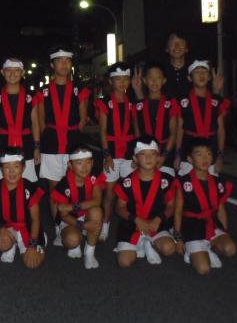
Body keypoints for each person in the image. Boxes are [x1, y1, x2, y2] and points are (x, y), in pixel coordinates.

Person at [36, 47, 90, 246]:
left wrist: (72, 134)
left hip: (73, 143)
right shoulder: (43, 91)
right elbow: (41, 121)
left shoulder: (79, 89)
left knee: (76, 185)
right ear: (53, 65)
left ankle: (77, 224)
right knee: (55, 190)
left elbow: (83, 119)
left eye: (67, 60)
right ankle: (60, 227)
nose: (64, 64)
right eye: (59, 61)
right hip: (51, 144)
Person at [173, 138, 237, 274]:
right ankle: (192, 251)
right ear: (190, 159)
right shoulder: (183, 182)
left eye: (208, 154)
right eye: (199, 154)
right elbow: (178, 212)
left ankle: (208, 246)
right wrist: (178, 239)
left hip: (211, 223)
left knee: (230, 249)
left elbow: (220, 209)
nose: (205, 158)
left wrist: (224, 232)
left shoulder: (218, 182)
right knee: (203, 269)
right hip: (191, 226)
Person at [93, 62, 139, 241]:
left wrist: (137, 154)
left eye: (125, 79)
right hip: (112, 151)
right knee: (110, 193)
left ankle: (134, 227)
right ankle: (105, 225)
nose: (122, 82)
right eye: (118, 79)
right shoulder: (105, 103)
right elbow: (103, 131)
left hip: (129, 152)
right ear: (111, 82)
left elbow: (136, 130)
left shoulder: (132, 103)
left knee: (131, 191)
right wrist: (107, 155)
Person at [113, 136, 176, 267]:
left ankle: (149, 242)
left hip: (156, 223)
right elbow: (119, 208)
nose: (148, 158)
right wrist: (136, 220)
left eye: (153, 154)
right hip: (132, 223)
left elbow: (171, 206)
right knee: (124, 262)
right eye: (143, 154)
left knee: (169, 249)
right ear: (135, 159)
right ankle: (142, 242)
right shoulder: (127, 182)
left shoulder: (166, 180)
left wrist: (159, 219)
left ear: (158, 157)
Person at [0, 148, 46, 268]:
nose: (12, 171)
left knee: (32, 264)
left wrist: (32, 244)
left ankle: (35, 241)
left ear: (23, 168)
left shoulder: (30, 188)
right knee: (2, 244)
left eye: (16, 167)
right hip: (6, 228)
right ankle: (11, 245)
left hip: (28, 228)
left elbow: (35, 219)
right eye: (7, 167)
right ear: (1, 169)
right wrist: (1, 229)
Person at [50, 146, 105, 269]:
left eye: (88, 162)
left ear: (92, 163)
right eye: (79, 163)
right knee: (72, 240)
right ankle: (70, 234)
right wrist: (83, 225)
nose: (84, 167)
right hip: (70, 219)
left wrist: (72, 207)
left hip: (86, 213)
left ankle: (89, 253)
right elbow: (64, 215)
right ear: (70, 165)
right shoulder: (63, 185)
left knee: (97, 211)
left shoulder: (95, 175)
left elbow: (97, 201)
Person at [0, 58, 40, 183]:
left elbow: (35, 124)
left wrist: (37, 148)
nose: (12, 74)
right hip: (2, 144)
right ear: (2, 72)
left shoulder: (31, 96)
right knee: (2, 183)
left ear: (23, 73)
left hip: (26, 144)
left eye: (17, 70)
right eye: (8, 70)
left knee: (28, 183)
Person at [175, 60, 231, 176]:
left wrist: (220, 156)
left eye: (204, 72)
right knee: (187, 183)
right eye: (197, 72)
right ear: (189, 78)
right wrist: (177, 154)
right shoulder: (182, 101)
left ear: (209, 77)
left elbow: (221, 129)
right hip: (188, 150)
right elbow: (180, 128)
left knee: (209, 184)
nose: (201, 75)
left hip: (210, 150)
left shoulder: (217, 101)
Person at [133, 61, 180, 177]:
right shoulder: (138, 105)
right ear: (145, 80)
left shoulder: (171, 103)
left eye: (158, 78)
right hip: (145, 155)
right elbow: (137, 134)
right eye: (151, 78)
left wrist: (163, 157)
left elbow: (173, 133)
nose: (154, 81)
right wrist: (138, 155)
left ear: (164, 80)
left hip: (165, 154)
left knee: (166, 185)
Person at [162, 32, 223, 100]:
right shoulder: (160, 71)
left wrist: (215, 90)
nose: (177, 46)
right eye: (172, 42)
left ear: (186, 48)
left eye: (181, 42)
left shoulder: (196, 69)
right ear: (166, 48)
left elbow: (209, 99)